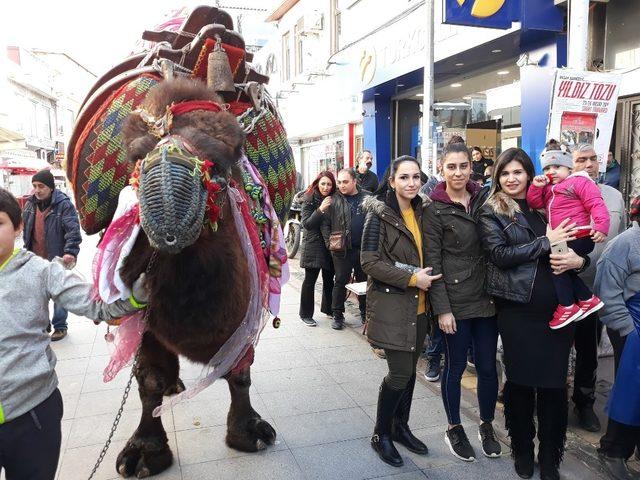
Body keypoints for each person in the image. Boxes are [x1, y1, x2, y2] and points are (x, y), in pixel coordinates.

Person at [0, 188, 147, 480]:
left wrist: (135, 299)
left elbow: (95, 305)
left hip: (31, 413)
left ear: (18, 227)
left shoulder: (41, 271)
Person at [478, 148, 590, 480]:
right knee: (521, 385)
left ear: (529, 174)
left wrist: (579, 262)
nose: (511, 179)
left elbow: (575, 245)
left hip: (558, 311)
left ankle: (551, 455)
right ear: (497, 177)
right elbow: (499, 254)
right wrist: (545, 242)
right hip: (517, 311)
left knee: (554, 387)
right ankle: (523, 451)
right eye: (505, 173)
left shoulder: (549, 204)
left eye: (518, 172)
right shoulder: (491, 211)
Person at [360, 155, 441, 467]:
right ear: (391, 181)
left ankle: (400, 426)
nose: (411, 183)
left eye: (416, 177)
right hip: (394, 305)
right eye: (404, 177)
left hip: (420, 308)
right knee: (400, 373)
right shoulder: (378, 215)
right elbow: (369, 261)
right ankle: (381, 433)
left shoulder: (423, 210)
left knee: (408, 376)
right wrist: (411, 278)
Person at [424, 141, 501, 461]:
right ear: (441, 169)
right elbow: (433, 262)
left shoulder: (484, 199)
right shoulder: (433, 208)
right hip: (454, 301)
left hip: (487, 297)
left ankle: (486, 424)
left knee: (486, 367)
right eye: (451, 167)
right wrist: (442, 309)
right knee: (455, 367)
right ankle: (454, 427)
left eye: (463, 166)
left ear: (472, 167)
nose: (458, 172)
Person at [571, 143, 627, 433]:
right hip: (563, 289)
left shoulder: (614, 197)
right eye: (581, 159)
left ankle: (584, 402)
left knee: (588, 350)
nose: (589, 164)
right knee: (555, 348)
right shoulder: (558, 196)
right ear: (571, 164)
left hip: (597, 289)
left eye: (594, 158)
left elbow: (623, 242)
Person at [527, 148, 610, 329]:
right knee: (562, 268)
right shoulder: (550, 189)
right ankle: (586, 300)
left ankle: (567, 306)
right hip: (564, 237)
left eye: (557, 166)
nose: (551, 171)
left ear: (569, 168)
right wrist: (535, 187)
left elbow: (596, 203)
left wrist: (601, 226)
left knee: (557, 265)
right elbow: (535, 203)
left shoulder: (579, 182)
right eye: (547, 168)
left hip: (578, 234)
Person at [593, 197, 640, 480]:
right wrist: (628, 329)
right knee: (631, 389)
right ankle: (614, 449)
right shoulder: (624, 243)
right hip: (632, 324)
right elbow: (606, 290)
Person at [22, 169, 82, 341]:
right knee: (37, 293)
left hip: (58, 257)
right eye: (34, 186)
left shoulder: (63, 204)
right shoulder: (30, 204)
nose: (37, 190)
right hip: (35, 257)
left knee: (59, 294)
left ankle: (60, 326)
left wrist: (70, 251)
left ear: (50, 187)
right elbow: (24, 228)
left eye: (41, 186)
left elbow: (73, 230)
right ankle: (43, 324)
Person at [321, 169, 369, 329]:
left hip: (363, 248)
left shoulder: (367, 197)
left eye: (345, 182)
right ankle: (337, 315)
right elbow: (325, 223)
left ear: (355, 181)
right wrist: (329, 242)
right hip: (341, 249)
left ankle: (365, 313)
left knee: (365, 282)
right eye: (339, 182)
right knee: (340, 281)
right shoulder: (333, 199)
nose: (341, 185)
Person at [298, 171, 336, 326]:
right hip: (313, 244)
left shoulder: (335, 198)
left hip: (330, 244)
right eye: (323, 184)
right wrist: (320, 209)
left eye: (329, 184)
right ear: (317, 184)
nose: (326, 187)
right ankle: (305, 314)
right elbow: (306, 224)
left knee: (329, 278)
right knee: (310, 280)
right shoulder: (309, 198)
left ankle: (329, 309)